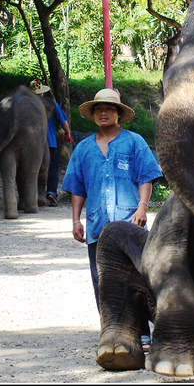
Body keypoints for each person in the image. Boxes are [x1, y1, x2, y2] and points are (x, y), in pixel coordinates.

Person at [61, 88, 162, 350]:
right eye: (98, 109)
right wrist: (75, 220)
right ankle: (113, 331)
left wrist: (142, 207)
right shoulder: (83, 149)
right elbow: (77, 189)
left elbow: (146, 178)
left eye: (108, 108)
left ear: (119, 114)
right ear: (93, 115)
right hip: (97, 227)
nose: (103, 113)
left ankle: (142, 333)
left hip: (131, 224)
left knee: (139, 279)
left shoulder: (134, 142)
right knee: (102, 281)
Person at [29, 79, 71, 206]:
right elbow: (63, 121)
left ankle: (33, 195)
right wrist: (67, 133)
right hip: (50, 143)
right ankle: (51, 193)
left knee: (31, 169)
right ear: (42, 92)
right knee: (52, 168)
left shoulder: (27, 104)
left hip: (31, 144)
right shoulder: (51, 103)